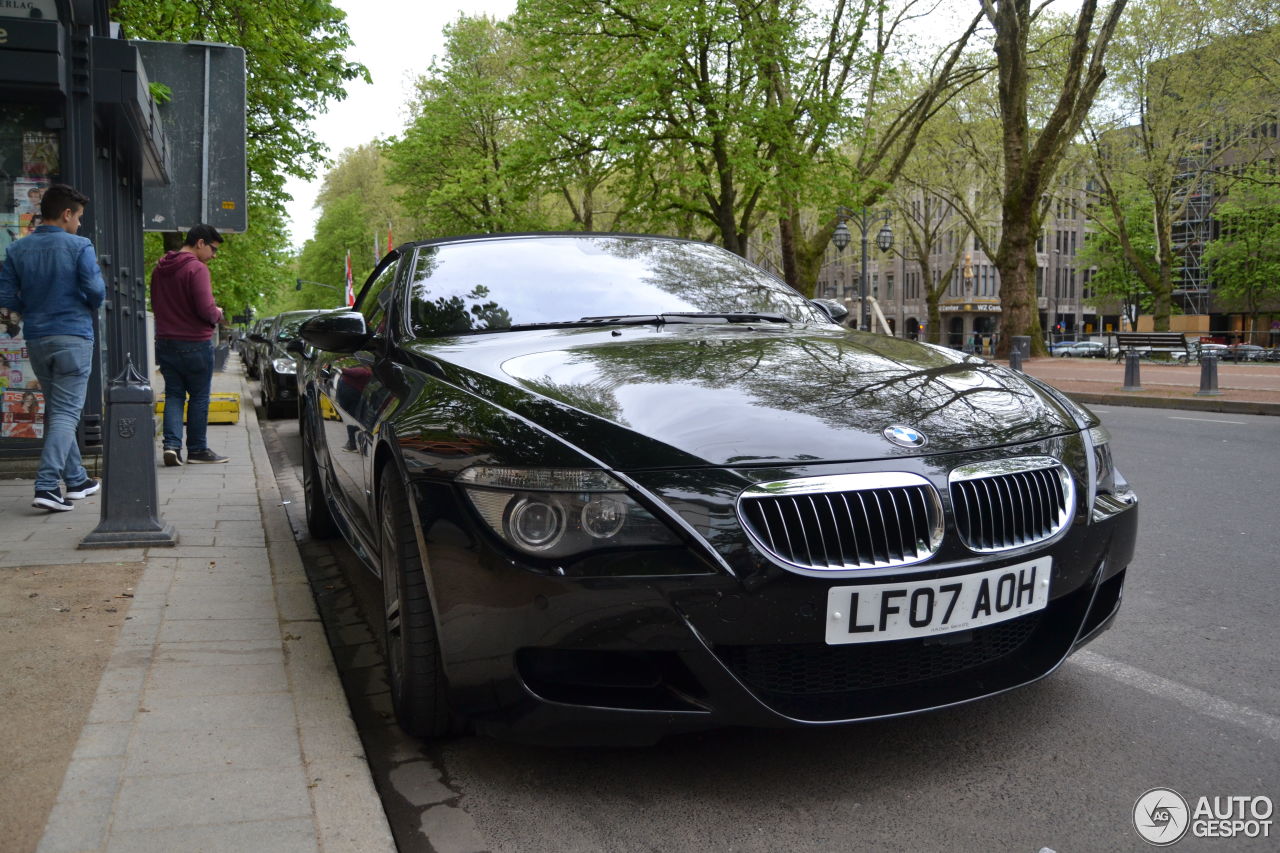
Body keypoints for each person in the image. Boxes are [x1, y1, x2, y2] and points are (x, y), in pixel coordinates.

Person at [0, 184, 105, 511]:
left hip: (38, 338)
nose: (79, 224)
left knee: (60, 411)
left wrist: (32, 307)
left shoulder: (18, 250)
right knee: (66, 413)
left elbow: (4, 297)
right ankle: (46, 486)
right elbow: (96, 291)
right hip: (73, 335)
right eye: (79, 217)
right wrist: (84, 303)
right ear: (66, 213)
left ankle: (77, 480)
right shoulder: (79, 245)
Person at [150, 224, 229, 465]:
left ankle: (172, 446)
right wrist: (217, 313)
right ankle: (197, 450)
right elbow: (205, 309)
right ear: (200, 243)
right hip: (195, 343)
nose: (213, 256)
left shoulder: (160, 269)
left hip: (166, 342)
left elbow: (156, 304)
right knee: (199, 397)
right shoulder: (197, 269)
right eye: (213, 249)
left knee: (174, 394)